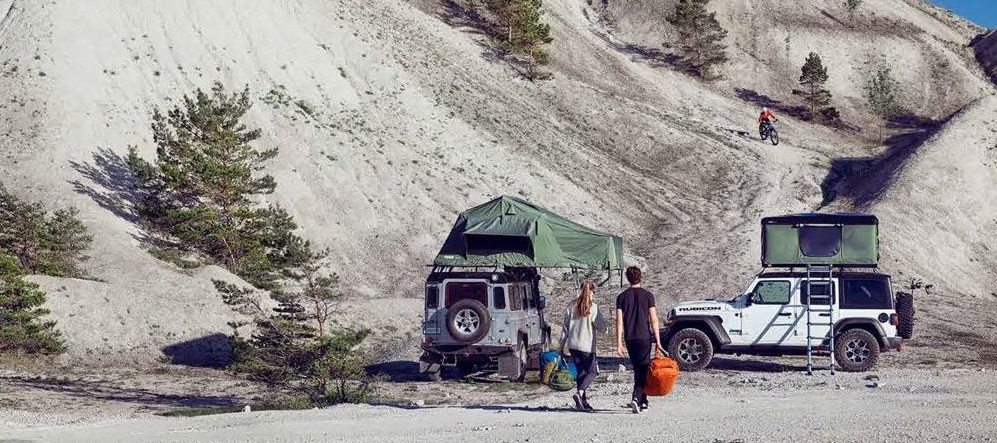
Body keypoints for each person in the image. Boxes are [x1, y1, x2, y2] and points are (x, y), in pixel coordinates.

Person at [615, 266, 664, 414]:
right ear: (640, 277)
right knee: (642, 369)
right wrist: (658, 341)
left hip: (630, 338)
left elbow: (619, 322)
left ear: (627, 278)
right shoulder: (648, 296)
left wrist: (619, 343)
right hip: (644, 337)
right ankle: (636, 398)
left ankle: (644, 401)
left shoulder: (621, 297)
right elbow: (654, 320)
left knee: (639, 368)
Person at [560, 280, 606, 411]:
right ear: (591, 291)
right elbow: (601, 326)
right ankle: (579, 393)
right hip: (587, 345)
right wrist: (606, 329)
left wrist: (561, 346)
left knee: (581, 373)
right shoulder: (593, 307)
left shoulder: (571, 305)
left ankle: (582, 402)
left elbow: (565, 328)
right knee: (592, 371)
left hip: (573, 345)